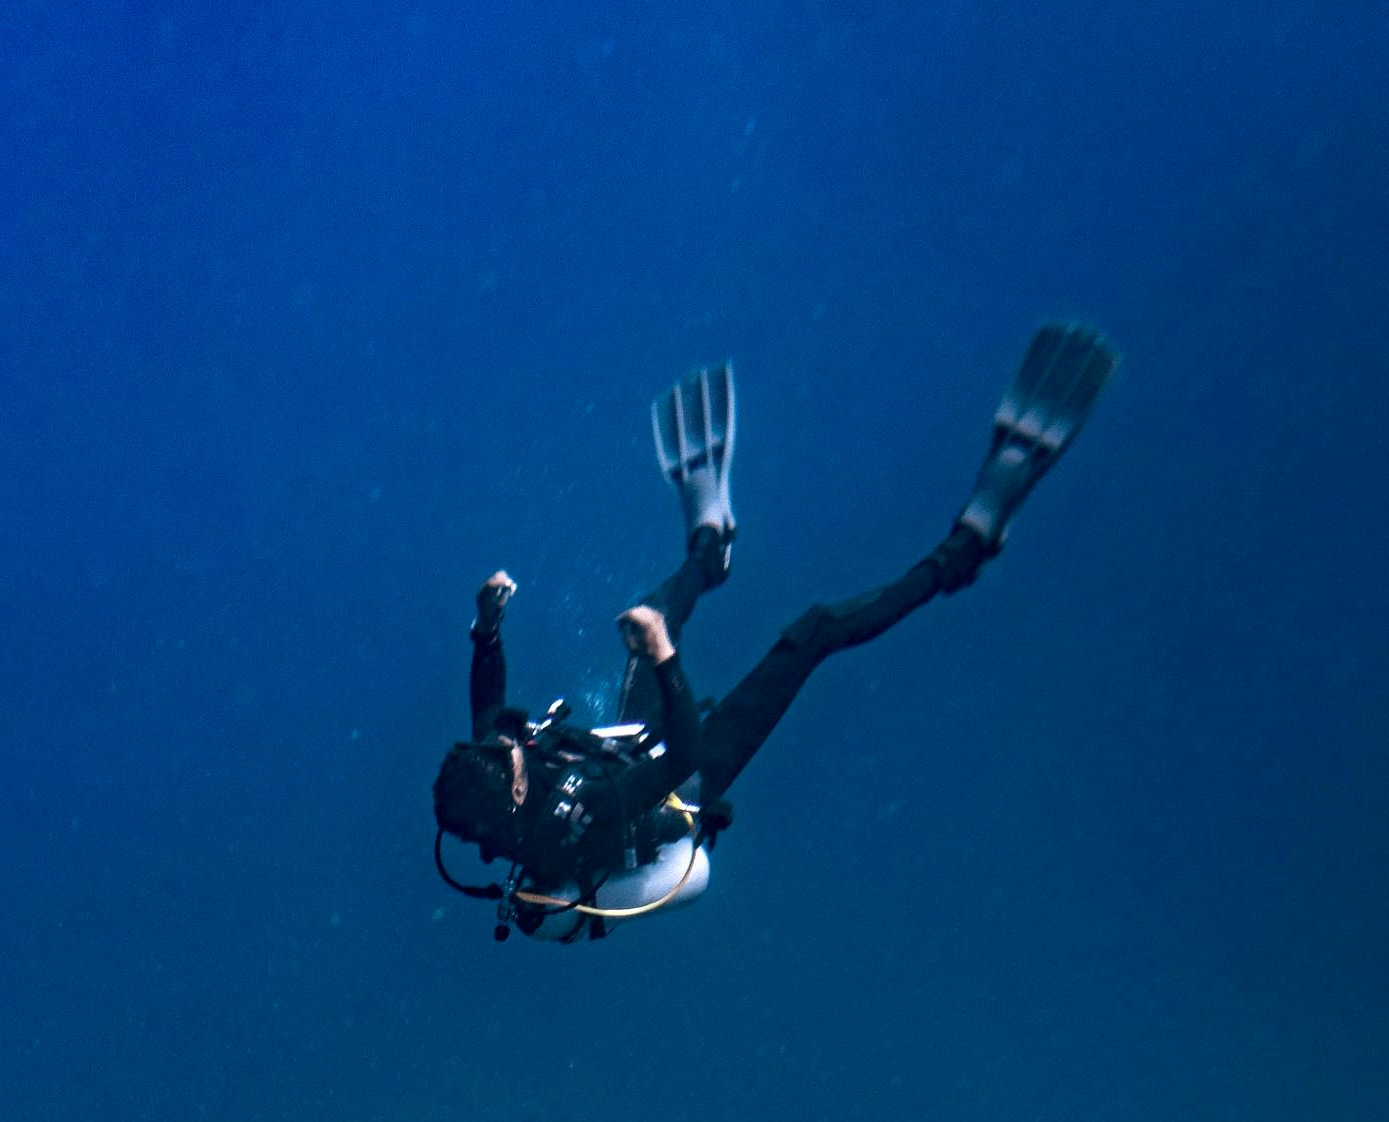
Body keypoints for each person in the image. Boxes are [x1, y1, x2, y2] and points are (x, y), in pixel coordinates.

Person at [435, 323, 1117, 942]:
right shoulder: (571, 817)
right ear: (518, 793)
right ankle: (963, 549)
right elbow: (680, 759)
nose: (504, 744)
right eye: (505, 757)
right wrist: (665, 661)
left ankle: (710, 549)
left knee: (648, 609)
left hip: (627, 750)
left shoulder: (495, 767)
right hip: (683, 778)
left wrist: (487, 629)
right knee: (811, 633)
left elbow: (486, 708)